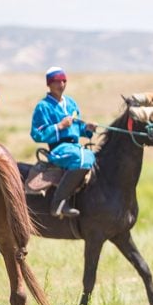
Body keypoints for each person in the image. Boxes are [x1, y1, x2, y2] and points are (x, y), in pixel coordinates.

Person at [31, 67, 97, 218]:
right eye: (56, 81)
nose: (61, 84)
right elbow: (37, 134)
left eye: (64, 81)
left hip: (75, 146)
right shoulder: (43, 106)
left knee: (92, 157)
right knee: (81, 159)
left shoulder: (71, 103)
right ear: (49, 84)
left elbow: (79, 128)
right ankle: (58, 203)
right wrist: (59, 126)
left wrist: (88, 128)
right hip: (58, 148)